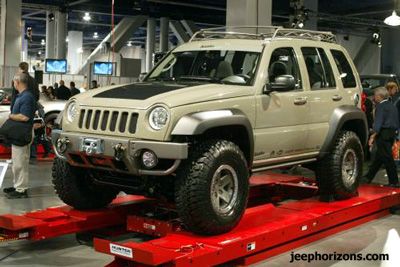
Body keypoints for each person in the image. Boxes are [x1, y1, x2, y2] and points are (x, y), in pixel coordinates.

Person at [3, 73, 36, 198]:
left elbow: (25, 116)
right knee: (17, 162)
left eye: (14, 81)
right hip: (19, 134)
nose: (13, 84)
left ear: (18, 82)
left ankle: (21, 190)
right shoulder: (21, 96)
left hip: (23, 134)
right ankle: (18, 185)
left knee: (20, 163)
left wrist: (11, 116)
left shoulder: (27, 97)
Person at [364, 87, 400, 188]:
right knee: (380, 157)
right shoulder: (392, 105)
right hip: (392, 133)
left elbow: (378, 123)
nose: (374, 98)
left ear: (379, 96)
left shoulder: (381, 106)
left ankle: (394, 181)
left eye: (375, 96)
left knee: (387, 158)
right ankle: (368, 177)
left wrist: (373, 136)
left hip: (383, 134)